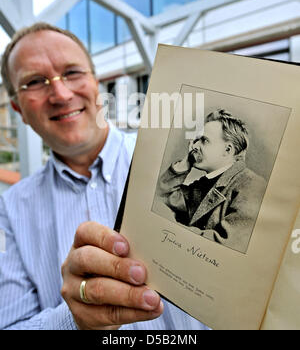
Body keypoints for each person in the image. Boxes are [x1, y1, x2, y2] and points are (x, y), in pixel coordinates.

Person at [0, 22, 208, 330]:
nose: (60, 92)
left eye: (71, 72)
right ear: (18, 107)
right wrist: (72, 319)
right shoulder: (8, 211)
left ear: (96, 82)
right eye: (35, 81)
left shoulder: (174, 161)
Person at [157, 109, 267, 253]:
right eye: (196, 140)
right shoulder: (203, 184)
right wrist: (185, 164)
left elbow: (223, 245)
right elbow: (161, 195)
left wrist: (168, 227)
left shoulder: (252, 185)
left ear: (227, 150)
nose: (194, 146)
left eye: (204, 140)